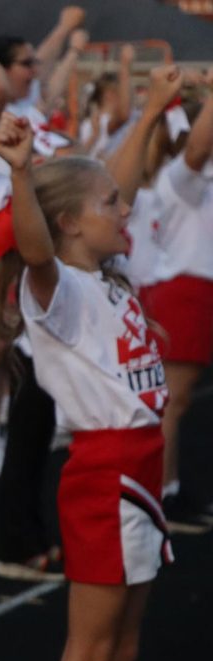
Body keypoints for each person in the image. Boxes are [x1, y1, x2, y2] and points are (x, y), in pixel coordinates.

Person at [0, 111, 171, 661]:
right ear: (67, 224)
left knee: (120, 656)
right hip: (106, 475)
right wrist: (21, 170)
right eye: (110, 204)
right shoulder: (55, 289)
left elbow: (99, 190)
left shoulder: (110, 276)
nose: (125, 206)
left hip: (141, 468)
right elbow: (35, 246)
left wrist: (150, 112)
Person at [0, 10, 86, 479]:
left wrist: (65, 31)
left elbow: (38, 63)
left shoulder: (27, 106)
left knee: (15, 345)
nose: (35, 69)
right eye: (24, 64)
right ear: (2, 68)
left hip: (25, 231)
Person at [139, 70, 213, 533]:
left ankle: (167, 488)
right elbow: (198, 149)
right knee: (172, 401)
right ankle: (161, 493)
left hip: (193, 291)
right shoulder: (181, 177)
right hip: (182, 292)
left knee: (174, 401)